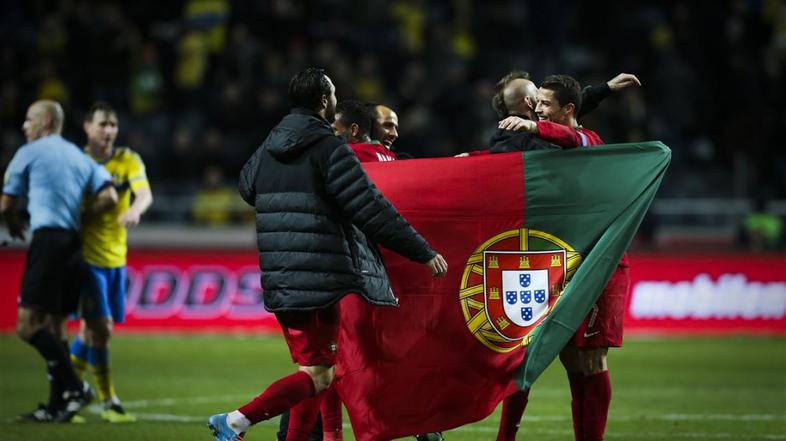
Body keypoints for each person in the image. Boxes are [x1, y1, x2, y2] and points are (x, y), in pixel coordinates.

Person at [208, 68, 447, 441]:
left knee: (314, 371)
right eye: (333, 94)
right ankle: (237, 420)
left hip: (280, 273)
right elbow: (369, 207)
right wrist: (421, 250)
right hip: (319, 277)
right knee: (320, 375)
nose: (336, 101)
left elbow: (247, 187)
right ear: (324, 101)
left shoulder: (270, 144)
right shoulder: (328, 148)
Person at [495, 74, 632, 441]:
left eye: (543, 104)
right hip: (563, 263)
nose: (536, 109)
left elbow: (572, 135)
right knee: (566, 359)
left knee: (591, 361)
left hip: (599, 264)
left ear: (567, 110)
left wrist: (533, 124)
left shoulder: (588, 140)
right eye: (534, 103)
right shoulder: (543, 138)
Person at [1, 100, 118, 423]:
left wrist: (11, 222)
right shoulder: (78, 157)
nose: (24, 127)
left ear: (48, 121)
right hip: (73, 246)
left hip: (48, 241)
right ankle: (56, 405)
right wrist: (82, 216)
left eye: (29, 119)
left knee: (26, 327)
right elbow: (110, 197)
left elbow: (6, 202)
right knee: (55, 326)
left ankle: (76, 387)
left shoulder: (30, 151)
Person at [69, 102, 153, 423]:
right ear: (87, 128)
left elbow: (145, 194)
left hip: (116, 258)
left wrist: (135, 210)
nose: (109, 131)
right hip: (84, 257)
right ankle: (108, 401)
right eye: (103, 124)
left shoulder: (128, 160)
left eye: (113, 125)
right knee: (100, 329)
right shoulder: (77, 163)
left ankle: (67, 393)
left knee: (91, 333)